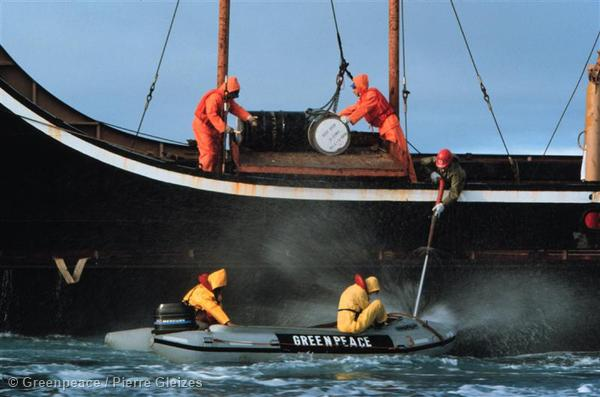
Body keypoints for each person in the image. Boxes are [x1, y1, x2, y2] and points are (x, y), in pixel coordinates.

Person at [338, 74, 416, 182]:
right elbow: (353, 108)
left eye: (354, 86)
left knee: (400, 153)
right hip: (385, 127)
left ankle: (411, 181)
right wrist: (337, 115)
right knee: (394, 154)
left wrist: (349, 119)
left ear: (360, 86)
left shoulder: (371, 94)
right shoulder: (363, 99)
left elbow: (363, 109)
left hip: (390, 126)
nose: (352, 90)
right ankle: (405, 179)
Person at [192, 76, 258, 173]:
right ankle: (204, 172)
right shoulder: (214, 98)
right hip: (203, 127)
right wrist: (225, 127)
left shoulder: (226, 100)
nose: (234, 97)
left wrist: (249, 118)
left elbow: (236, 109)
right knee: (209, 152)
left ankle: (211, 172)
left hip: (214, 129)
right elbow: (212, 115)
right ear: (228, 91)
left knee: (216, 152)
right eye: (234, 94)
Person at [421, 148, 466, 218]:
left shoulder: (457, 173)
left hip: (450, 185)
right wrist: (431, 172)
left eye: (444, 168)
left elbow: (454, 193)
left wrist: (443, 204)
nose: (441, 170)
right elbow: (422, 162)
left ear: (450, 164)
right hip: (439, 182)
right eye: (439, 167)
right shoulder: (437, 159)